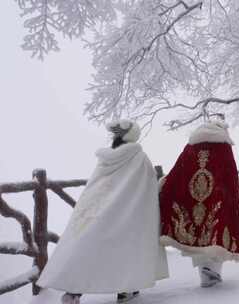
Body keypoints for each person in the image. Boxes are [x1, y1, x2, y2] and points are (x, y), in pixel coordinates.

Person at [37, 120, 169, 304]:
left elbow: (95, 186)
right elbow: (145, 189)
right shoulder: (139, 158)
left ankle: (74, 291)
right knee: (127, 248)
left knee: (92, 247)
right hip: (129, 213)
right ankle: (126, 289)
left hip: (100, 211)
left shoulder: (105, 159)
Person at [159, 119, 239, 288]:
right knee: (215, 233)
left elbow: (178, 170)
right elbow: (230, 175)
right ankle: (212, 273)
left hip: (192, 198)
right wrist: (230, 198)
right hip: (218, 196)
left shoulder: (191, 146)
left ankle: (205, 272)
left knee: (197, 233)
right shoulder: (224, 147)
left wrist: (165, 186)